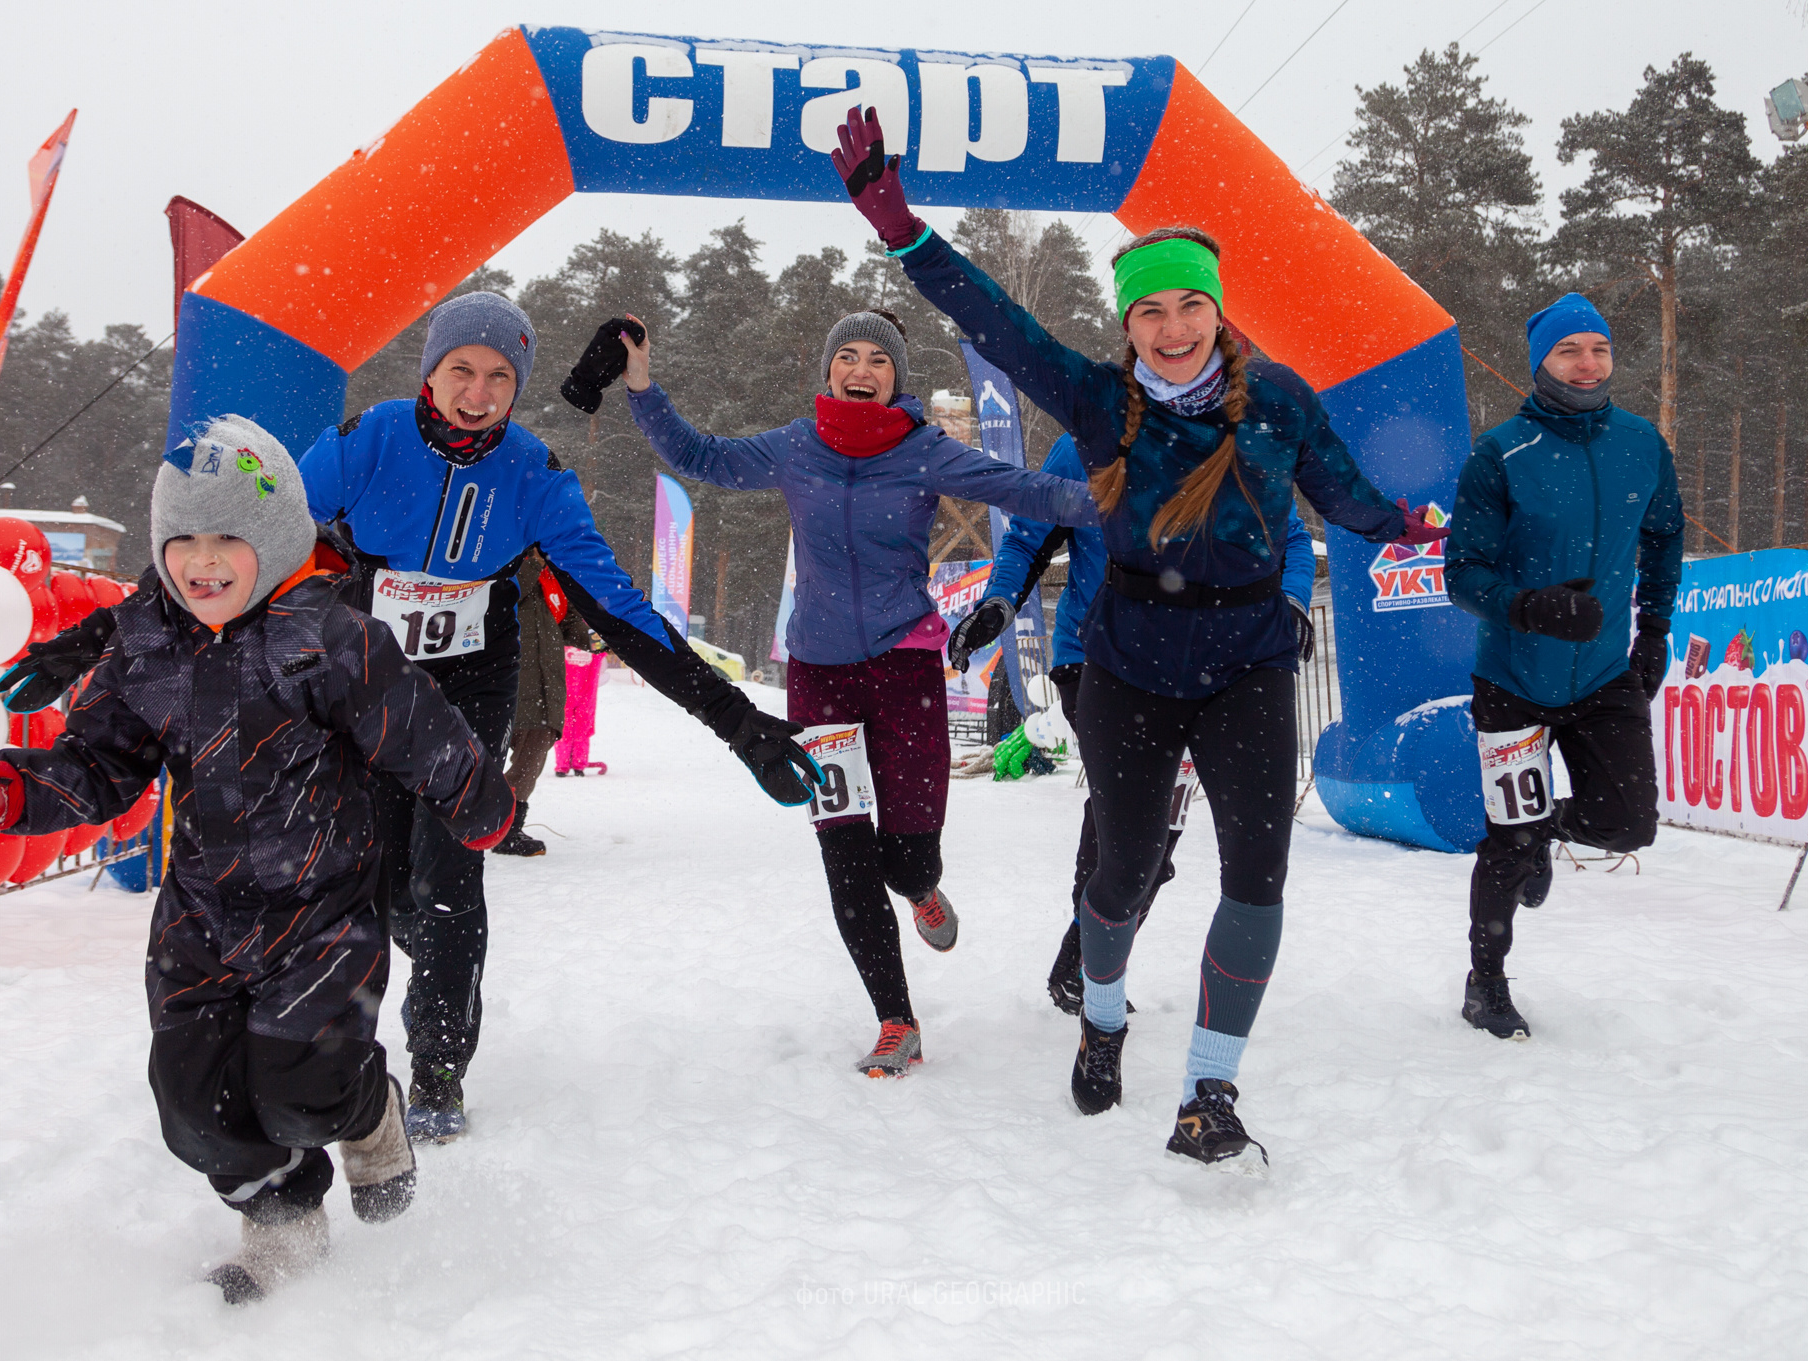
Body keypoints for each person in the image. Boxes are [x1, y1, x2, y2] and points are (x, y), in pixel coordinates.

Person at [828, 107, 1445, 1169]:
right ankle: (1101, 1016)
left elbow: (1341, 497)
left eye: (1190, 305)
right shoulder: (1099, 403)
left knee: (1256, 874)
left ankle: (1210, 1084)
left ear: (1219, 309)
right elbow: (995, 320)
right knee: (1120, 872)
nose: (1171, 327)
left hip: (1247, 660)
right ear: (1126, 321)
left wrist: (1414, 523)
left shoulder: (1279, 402)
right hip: (1128, 664)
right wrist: (899, 225)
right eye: (1148, 309)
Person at [0, 416, 516, 1304]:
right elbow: (100, 763)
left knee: (301, 1087)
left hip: (323, 915)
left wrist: (475, 799)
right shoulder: (145, 647)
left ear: (274, 539)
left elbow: (417, 729)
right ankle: (281, 1220)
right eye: (182, 540)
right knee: (194, 1105)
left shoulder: (333, 638)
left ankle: (367, 1109)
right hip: (201, 916)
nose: (203, 560)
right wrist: (13, 790)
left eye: (227, 537)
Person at [298, 291, 820, 1143]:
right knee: (376, 878)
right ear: (430, 370)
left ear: (519, 386)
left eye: (500, 376)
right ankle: (343, 1039)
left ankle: (435, 1070)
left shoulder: (535, 475)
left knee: (449, 876)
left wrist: (743, 726)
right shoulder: (369, 439)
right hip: (366, 673)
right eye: (461, 369)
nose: (478, 391)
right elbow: (246, 535)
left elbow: (624, 613)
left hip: (470, 680)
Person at [614, 306, 1099, 1076]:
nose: (863, 369)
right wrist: (642, 386)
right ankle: (895, 1018)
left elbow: (1026, 490)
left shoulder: (924, 449)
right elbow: (700, 455)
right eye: (850, 357)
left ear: (896, 377)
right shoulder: (794, 446)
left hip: (905, 669)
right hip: (819, 673)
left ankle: (922, 887)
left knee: (906, 856)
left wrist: (1132, 498)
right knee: (842, 847)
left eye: (879, 358)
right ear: (831, 371)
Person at [957, 433, 1322, 1015]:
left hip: (1201, 664)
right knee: (1125, 822)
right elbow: (1027, 539)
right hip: (1095, 656)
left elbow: (1293, 539)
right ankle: (1085, 971)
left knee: (1155, 837)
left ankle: (1087, 957)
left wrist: (1295, 601)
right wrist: (1000, 600)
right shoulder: (1087, 440)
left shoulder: (1237, 435)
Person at [1443, 293, 1682, 1040]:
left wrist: (1655, 628)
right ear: (1540, 363)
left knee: (1630, 823)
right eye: (1569, 350)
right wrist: (1531, 607)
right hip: (1514, 675)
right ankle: (1486, 982)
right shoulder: (1501, 453)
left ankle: (1541, 828)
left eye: (1599, 349)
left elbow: (1665, 535)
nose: (1588, 363)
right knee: (1506, 843)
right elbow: (1463, 572)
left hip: (1606, 671)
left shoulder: (1642, 442)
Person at [493, 547, 592, 855]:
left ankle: (508, 828)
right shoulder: (501, 561)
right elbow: (504, 598)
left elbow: (568, 621)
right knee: (483, 759)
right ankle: (473, 825)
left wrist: (589, 636)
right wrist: (532, 566)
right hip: (504, 682)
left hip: (546, 686)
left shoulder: (554, 575)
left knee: (532, 756)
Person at [553, 636, 605, 775]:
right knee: (565, 731)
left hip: (585, 696)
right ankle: (563, 765)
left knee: (581, 731)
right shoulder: (562, 641)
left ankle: (578, 764)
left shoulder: (594, 640)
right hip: (565, 696)